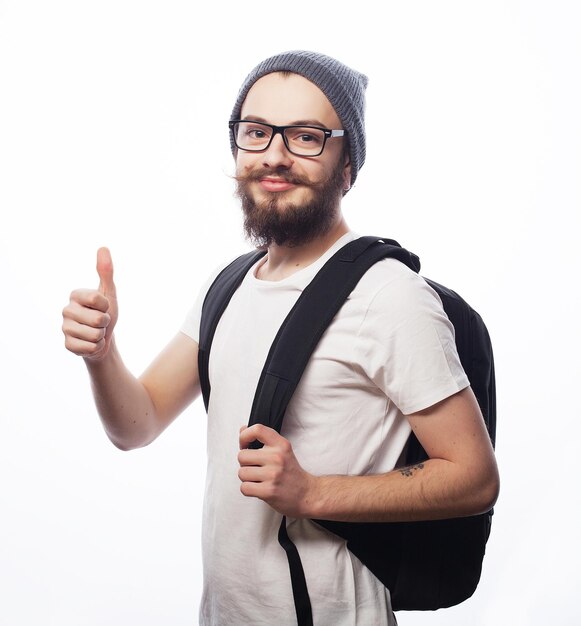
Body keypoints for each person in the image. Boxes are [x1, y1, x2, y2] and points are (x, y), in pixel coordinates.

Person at [62, 51, 499, 626]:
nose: (275, 154)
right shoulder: (231, 285)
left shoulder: (388, 297)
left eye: (307, 136)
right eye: (257, 132)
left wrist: (314, 493)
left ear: (348, 165)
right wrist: (101, 353)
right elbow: (136, 425)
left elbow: (474, 476)